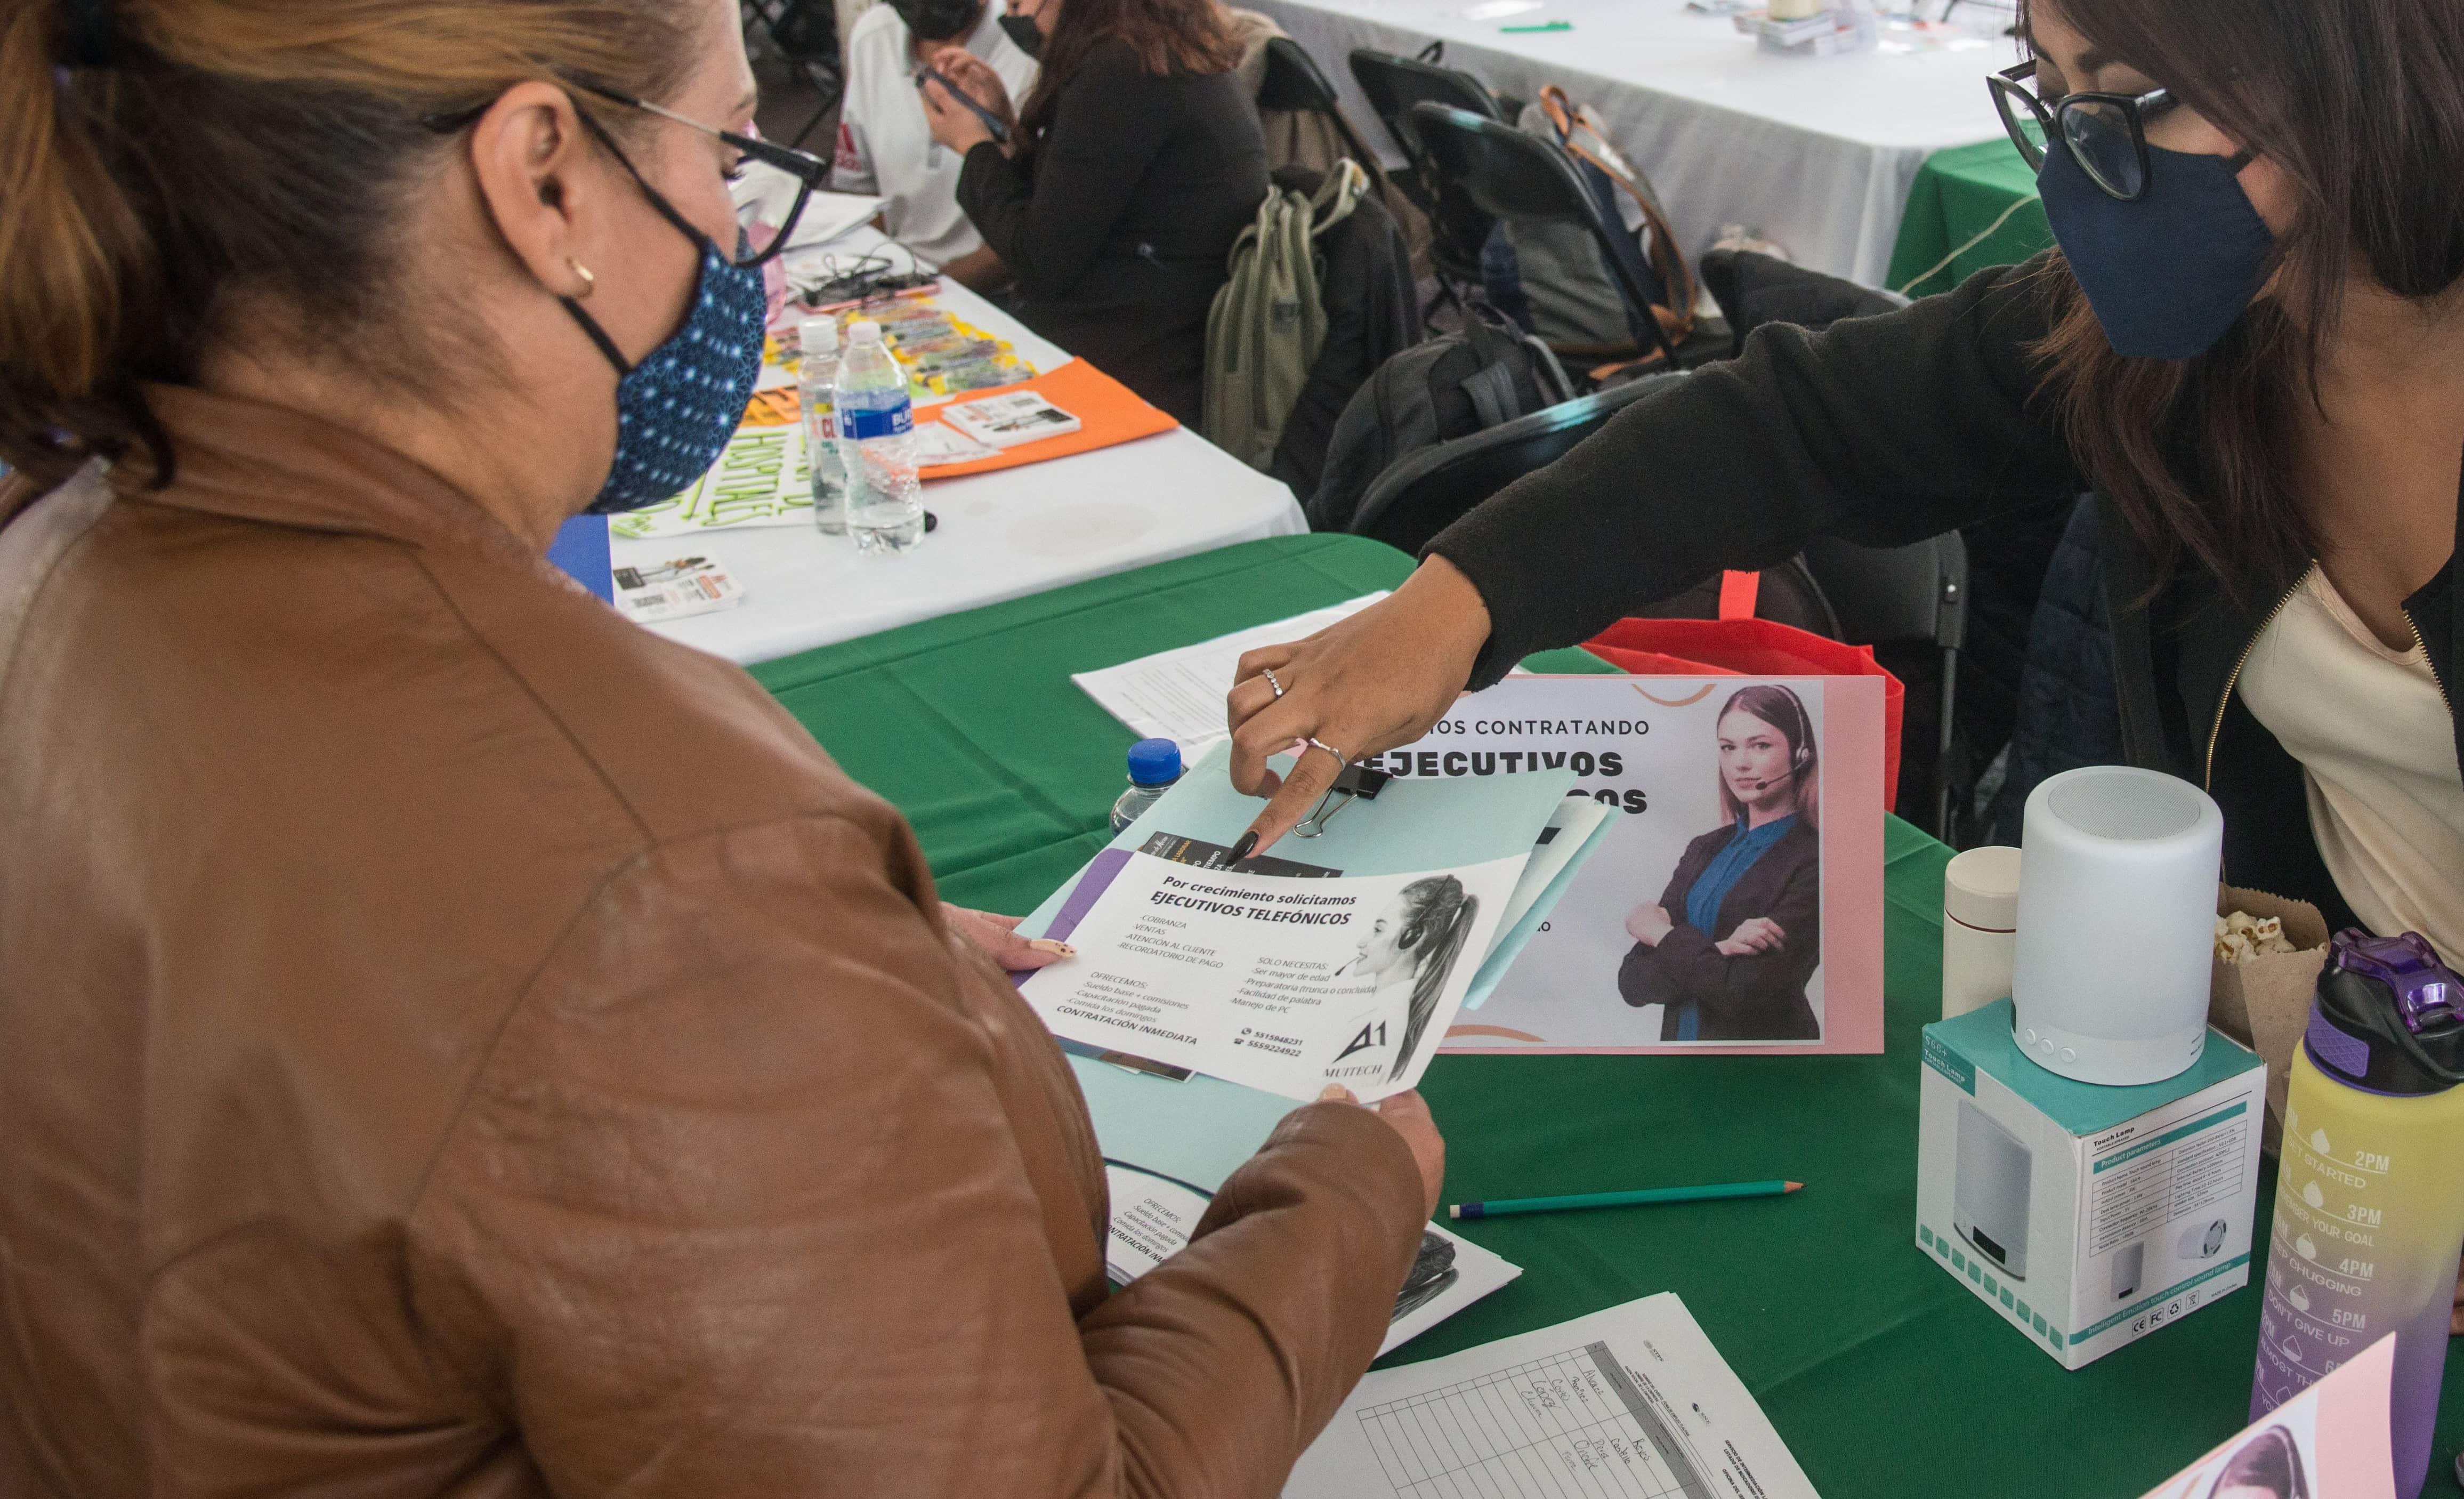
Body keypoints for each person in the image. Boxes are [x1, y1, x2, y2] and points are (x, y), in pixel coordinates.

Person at [0, 0, 1441, 1491]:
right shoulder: (666, 876)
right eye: (727, 155)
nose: (741, 234)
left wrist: (802, 970)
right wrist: (1344, 1196)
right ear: (546, 178)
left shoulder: (57, 551)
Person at [1221, 0, 2464, 1365]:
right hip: (2358, 1067)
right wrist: (1462, 600)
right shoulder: (2222, 323)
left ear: (2339, 49)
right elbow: (1806, 421)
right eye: (2053, 88)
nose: (2083, 163)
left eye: (2124, 98)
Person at [919, 0, 1269, 424]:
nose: (1015, 16)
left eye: (1018, 3)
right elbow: (1070, 204)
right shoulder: (1154, 48)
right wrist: (1002, 131)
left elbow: (1039, 260)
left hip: (1136, 370)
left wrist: (973, 146)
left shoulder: (1123, 71)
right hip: (1146, 337)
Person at [1620, 686, 1824, 1042]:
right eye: (1728, 747)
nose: (1740, 763)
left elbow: (1740, 993)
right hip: (1682, 1068)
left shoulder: (1817, 858)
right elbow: (1633, 983)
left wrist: (1662, 935)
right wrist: (1719, 951)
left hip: (1767, 1070)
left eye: (1760, 745)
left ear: (1801, 754)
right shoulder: (1705, 848)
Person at [831, 0, 1036, 288]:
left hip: (1000, 289)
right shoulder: (873, 36)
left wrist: (934, 287)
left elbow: (1040, 231)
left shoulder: (1027, 42)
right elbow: (860, 194)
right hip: (896, 279)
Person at [1338, 875, 1480, 1084]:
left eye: (1379, 930)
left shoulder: (1380, 1026)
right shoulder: (1383, 1011)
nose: (1362, 942)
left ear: (1412, 937)